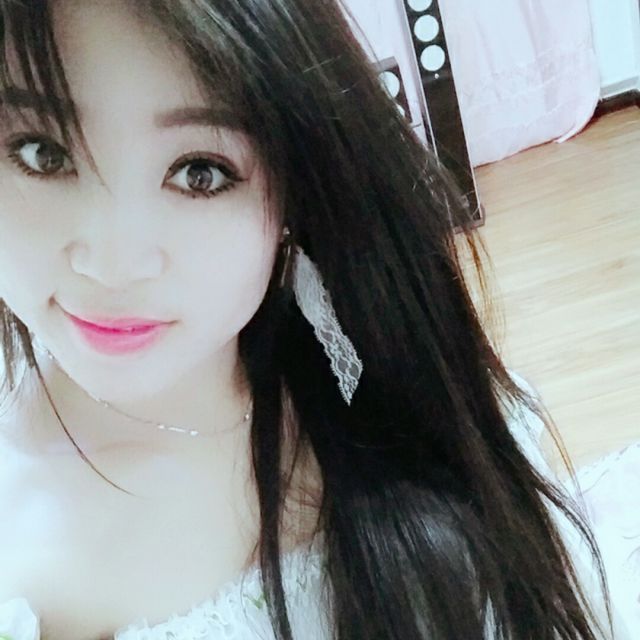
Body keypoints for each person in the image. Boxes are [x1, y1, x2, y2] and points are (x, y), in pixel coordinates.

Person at [0, 1, 631, 638]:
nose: (112, 265)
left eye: (199, 173)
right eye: (42, 154)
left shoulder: (411, 414)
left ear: (293, 193)